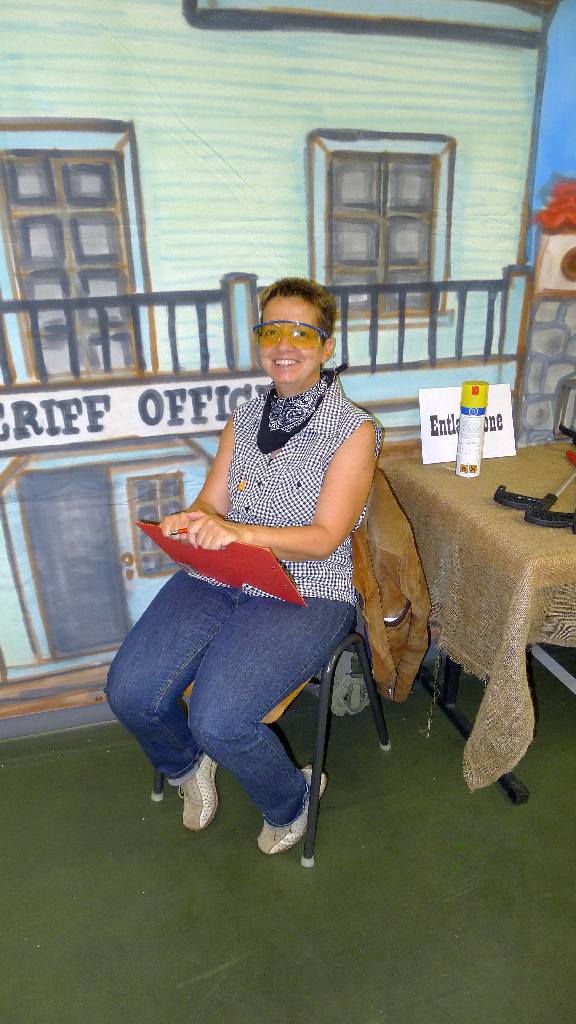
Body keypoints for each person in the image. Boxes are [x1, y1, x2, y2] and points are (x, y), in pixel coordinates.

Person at [106, 277, 381, 856]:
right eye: (271, 331)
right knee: (129, 691)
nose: (284, 345)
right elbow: (213, 502)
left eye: (301, 332)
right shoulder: (245, 415)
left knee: (220, 720)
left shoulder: (354, 430)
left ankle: (292, 801)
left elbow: (325, 539)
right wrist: (193, 519)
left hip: (307, 590)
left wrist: (241, 533)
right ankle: (188, 767)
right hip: (222, 573)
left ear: (327, 346)